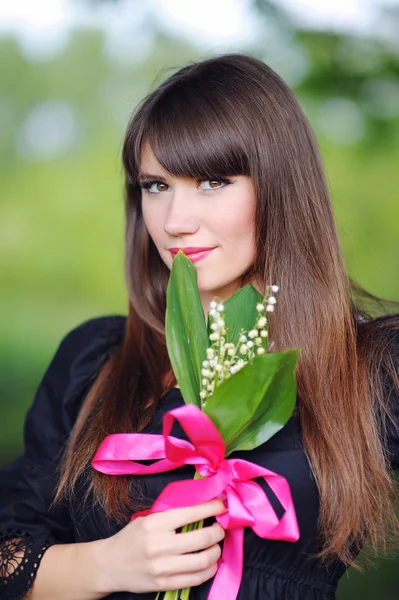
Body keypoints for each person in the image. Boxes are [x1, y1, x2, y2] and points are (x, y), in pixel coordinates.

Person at [0, 52, 398, 600]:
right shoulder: (98, 359)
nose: (175, 223)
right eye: (156, 186)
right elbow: (8, 548)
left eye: (212, 181)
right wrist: (105, 566)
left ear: (280, 187)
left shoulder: (373, 365)